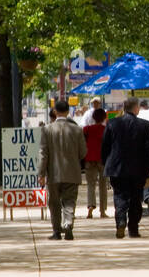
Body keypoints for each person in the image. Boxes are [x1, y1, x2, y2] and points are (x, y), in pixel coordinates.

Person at [101, 96, 149, 238]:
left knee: (120, 196)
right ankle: (133, 228)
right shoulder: (144, 125)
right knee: (135, 198)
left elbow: (105, 146)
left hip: (117, 168)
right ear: (136, 108)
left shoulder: (112, 123)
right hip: (138, 169)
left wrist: (106, 163)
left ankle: (120, 221)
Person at [38, 99, 88, 241]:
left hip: (53, 173)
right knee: (70, 200)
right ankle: (68, 223)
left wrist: (41, 173)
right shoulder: (77, 129)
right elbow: (83, 152)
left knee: (54, 203)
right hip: (72, 171)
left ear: (55, 111)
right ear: (68, 111)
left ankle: (56, 231)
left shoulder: (47, 129)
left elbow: (43, 153)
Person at [83, 107, 108, 219]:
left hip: (89, 158)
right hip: (103, 160)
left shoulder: (87, 129)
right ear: (104, 117)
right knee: (103, 185)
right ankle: (102, 211)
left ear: (93, 117)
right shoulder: (106, 129)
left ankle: (90, 207)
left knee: (90, 185)